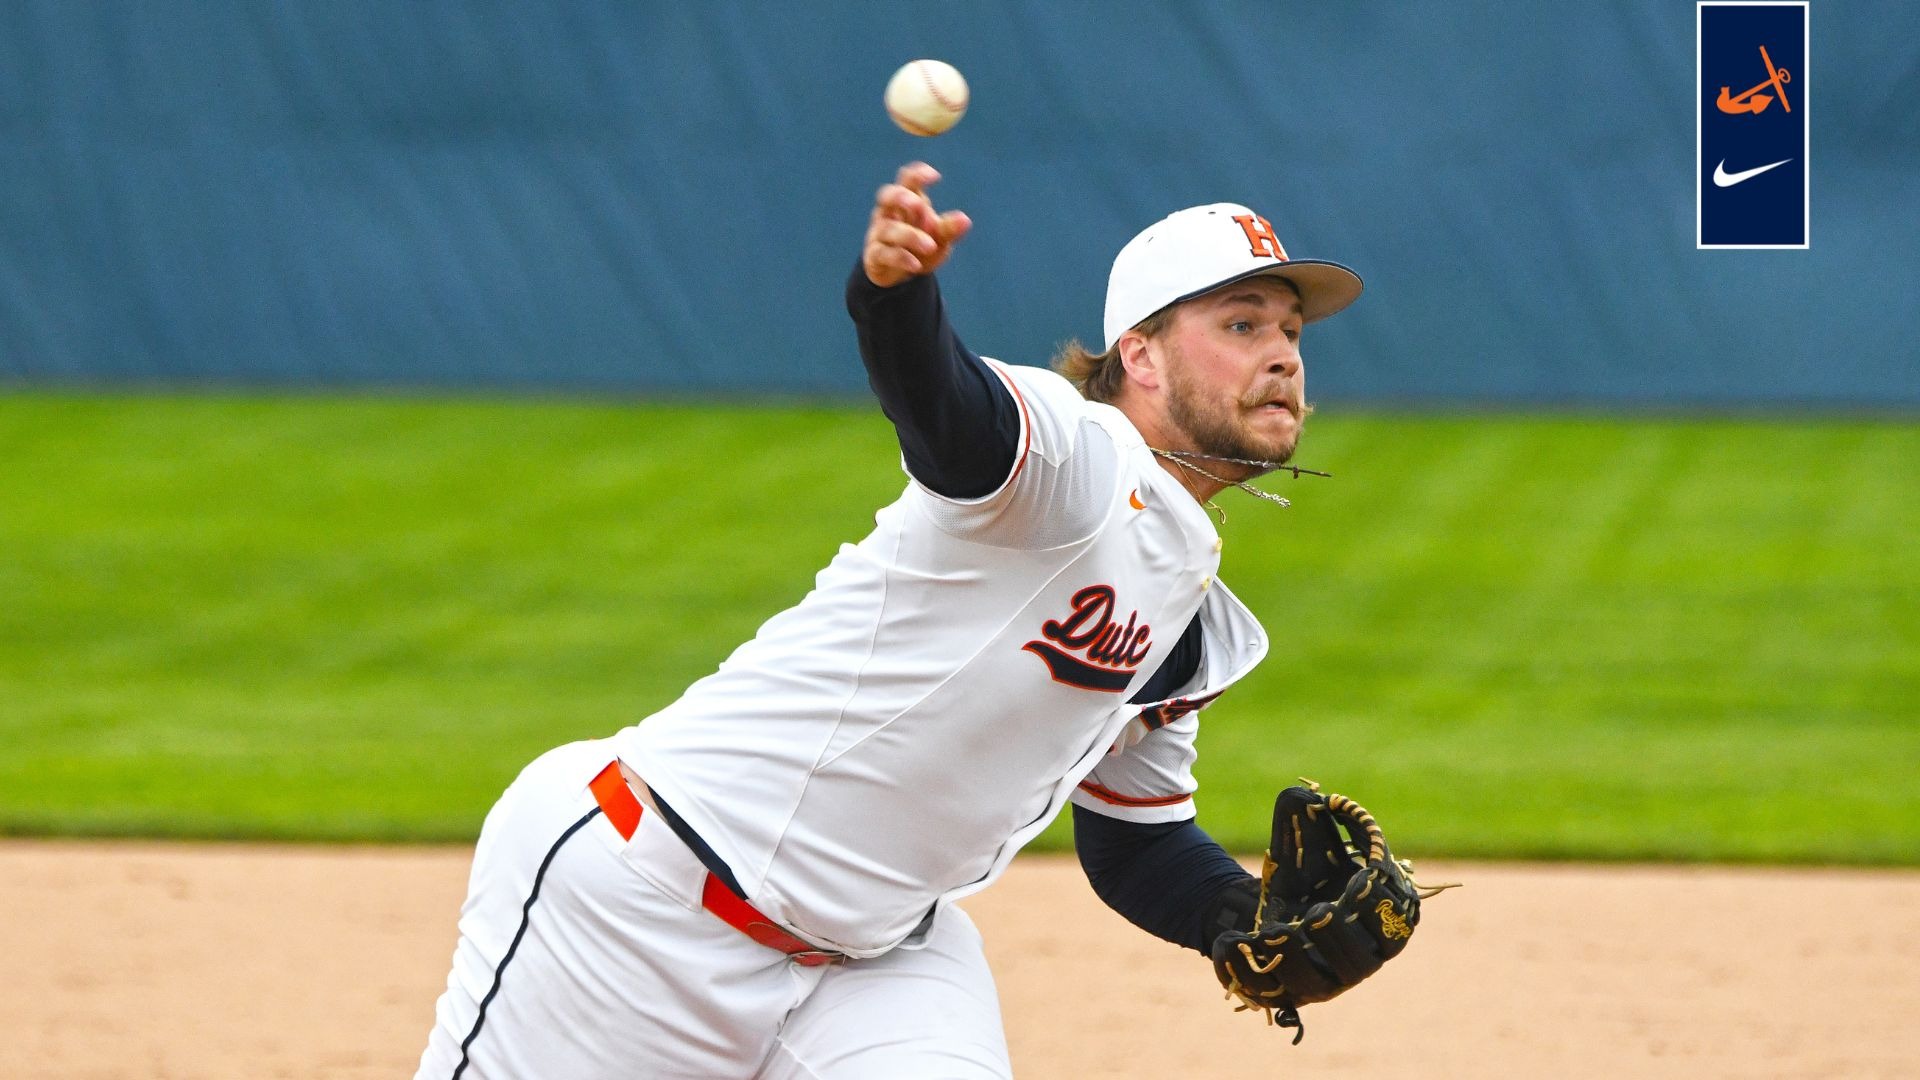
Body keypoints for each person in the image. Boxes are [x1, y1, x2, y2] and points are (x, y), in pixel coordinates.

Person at [415, 161, 1365, 1079]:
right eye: (1241, 323)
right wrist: (895, 298)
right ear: (1141, 356)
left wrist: (1244, 918)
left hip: (875, 967)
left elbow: (1138, 844)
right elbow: (950, 412)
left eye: (1290, 331)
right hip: (643, 901)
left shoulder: (1188, 624)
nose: (1282, 354)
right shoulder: (1076, 461)